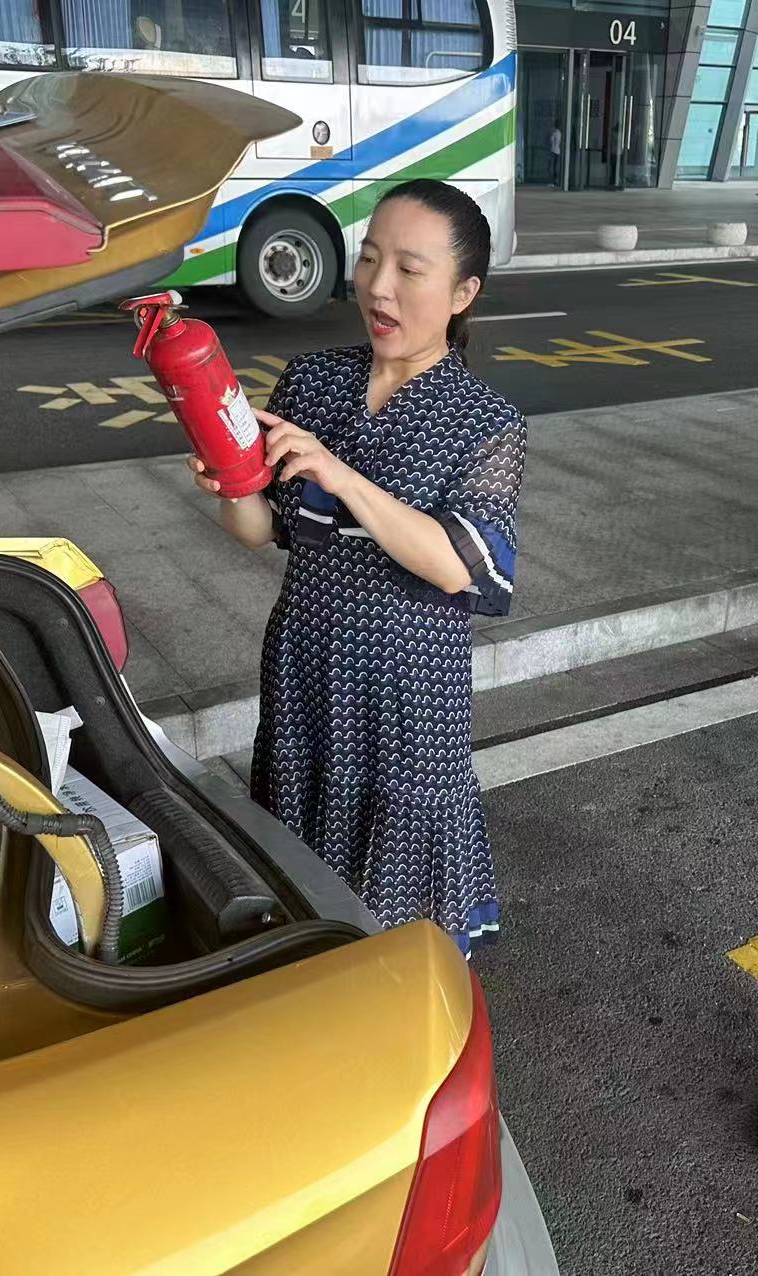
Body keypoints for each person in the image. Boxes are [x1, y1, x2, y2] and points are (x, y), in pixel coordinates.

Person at [190, 179, 525, 956]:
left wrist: (342, 477)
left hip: (408, 694)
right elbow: (262, 530)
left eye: (409, 269)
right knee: (303, 878)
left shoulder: (485, 422)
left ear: (462, 293)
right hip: (305, 667)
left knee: (394, 918)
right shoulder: (311, 380)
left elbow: (460, 567)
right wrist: (228, 477)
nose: (378, 286)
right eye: (370, 258)